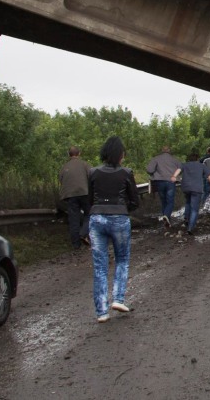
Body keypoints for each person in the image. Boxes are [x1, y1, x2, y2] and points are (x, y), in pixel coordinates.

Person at [88, 136, 139, 323]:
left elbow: (89, 198)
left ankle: (101, 311)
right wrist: (126, 209)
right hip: (119, 217)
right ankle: (118, 299)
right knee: (122, 259)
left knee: (100, 266)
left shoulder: (93, 172)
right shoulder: (126, 172)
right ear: (120, 155)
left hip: (97, 218)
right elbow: (134, 199)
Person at [173, 149, 210, 235]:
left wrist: (174, 176)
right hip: (197, 189)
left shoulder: (184, 165)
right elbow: (209, 176)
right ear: (197, 158)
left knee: (188, 202)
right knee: (195, 209)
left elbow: (178, 170)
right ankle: (190, 227)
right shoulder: (201, 166)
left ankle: (186, 218)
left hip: (186, 188)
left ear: (189, 159)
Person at [58, 146, 91, 249]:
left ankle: (76, 245)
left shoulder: (64, 167)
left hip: (70, 196)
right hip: (84, 193)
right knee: (90, 214)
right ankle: (83, 233)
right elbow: (92, 177)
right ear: (79, 153)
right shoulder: (85, 164)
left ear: (69, 154)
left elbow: (60, 179)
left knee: (74, 219)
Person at [146, 145, 181, 228]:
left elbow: (149, 170)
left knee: (163, 201)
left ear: (162, 150)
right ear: (169, 151)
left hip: (159, 182)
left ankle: (166, 219)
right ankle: (166, 216)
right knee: (170, 201)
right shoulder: (174, 159)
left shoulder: (156, 158)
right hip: (170, 182)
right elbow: (181, 168)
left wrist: (154, 174)